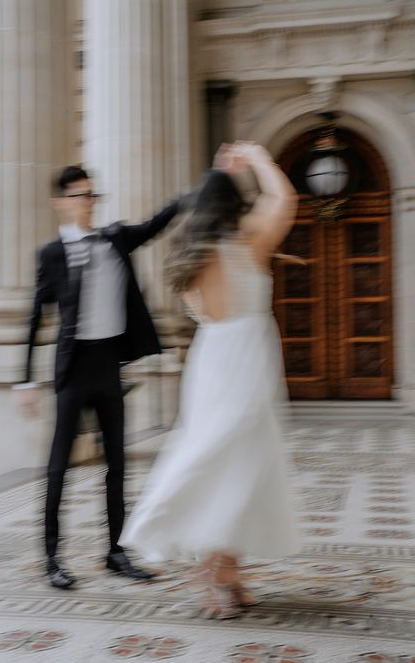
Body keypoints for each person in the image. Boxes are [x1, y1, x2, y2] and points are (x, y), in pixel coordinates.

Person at [119, 142, 301, 618]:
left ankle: (226, 570)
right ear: (233, 203)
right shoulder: (249, 239)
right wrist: (258, 158)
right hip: (246, 355)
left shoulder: (188, 256)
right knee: (241, 457)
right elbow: (285, 199)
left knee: (227, 455)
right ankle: (219, 569)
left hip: (211, 357)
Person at [20, 165, 184, 588]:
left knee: (117, 464)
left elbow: (153, 226)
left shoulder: (114, 238)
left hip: (109, 364)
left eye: (92, 195)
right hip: (73, 370)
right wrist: (25, 381)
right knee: (59, 468)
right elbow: (37, 316)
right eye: (79, 195)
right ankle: (52, 559)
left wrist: (190, 197)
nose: (88, 202)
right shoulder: (51, 254)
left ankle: (115, 552)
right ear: (60, 201)